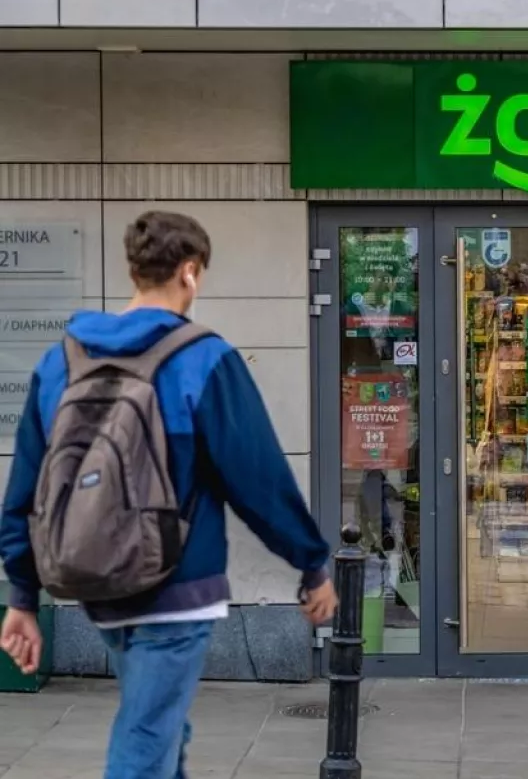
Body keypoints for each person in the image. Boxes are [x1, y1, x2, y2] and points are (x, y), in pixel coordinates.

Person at [0, 210, 337, 779]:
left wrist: (23, 596)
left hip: (96, 582)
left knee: (160, 726)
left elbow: (25, 489)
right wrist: (310, 562)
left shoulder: (61, 362)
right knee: (146, 738)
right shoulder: (203, 359)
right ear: (189, 272)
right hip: (177, 586)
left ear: (134, 270)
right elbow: (258, 479)